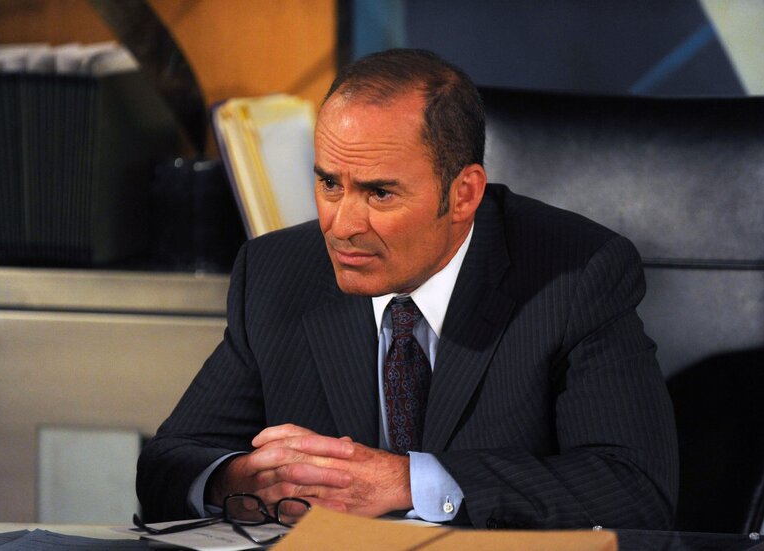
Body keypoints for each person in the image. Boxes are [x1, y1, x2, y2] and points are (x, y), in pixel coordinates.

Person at [136, 48, 678, 530]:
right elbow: (169, 463)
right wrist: (241, 480)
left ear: (463, 194)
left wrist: (408, 482)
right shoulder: (276, 271)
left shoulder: (575, 274)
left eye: (379, 193)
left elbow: (632, 488)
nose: (342, 225)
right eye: (329, 183)